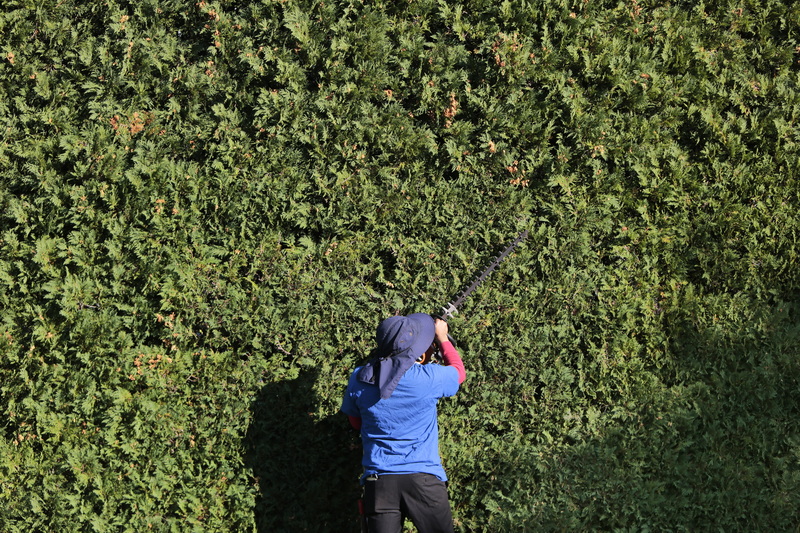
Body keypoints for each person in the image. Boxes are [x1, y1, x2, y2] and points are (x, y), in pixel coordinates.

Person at [341, 313, 466, 533]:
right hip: (424, 480)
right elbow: (458, 372)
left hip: (379, 482)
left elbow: (355, 422)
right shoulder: (428, 378)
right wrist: (443, 339)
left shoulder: (360, 377)